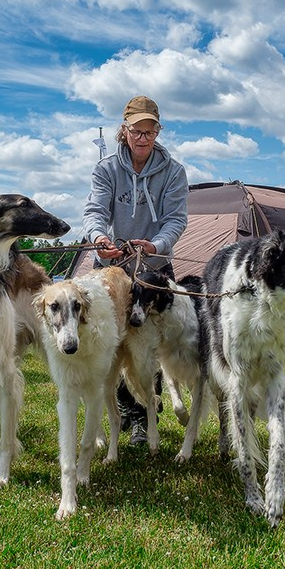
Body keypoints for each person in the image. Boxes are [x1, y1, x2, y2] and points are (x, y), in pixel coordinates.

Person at [82, 95, 188, 444]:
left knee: (147, 343)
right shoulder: (106, 170)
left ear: (158, 131)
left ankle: (144, 415)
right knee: (113, 343)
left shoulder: (173, 172)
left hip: (153, 269)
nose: (143, 138)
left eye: (150, 131)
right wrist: (99, 237)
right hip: (112, 267)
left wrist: (155, 245)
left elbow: (176, 219)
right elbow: (95, 210)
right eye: (136, 131)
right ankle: (123, 410)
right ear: (123, 131)